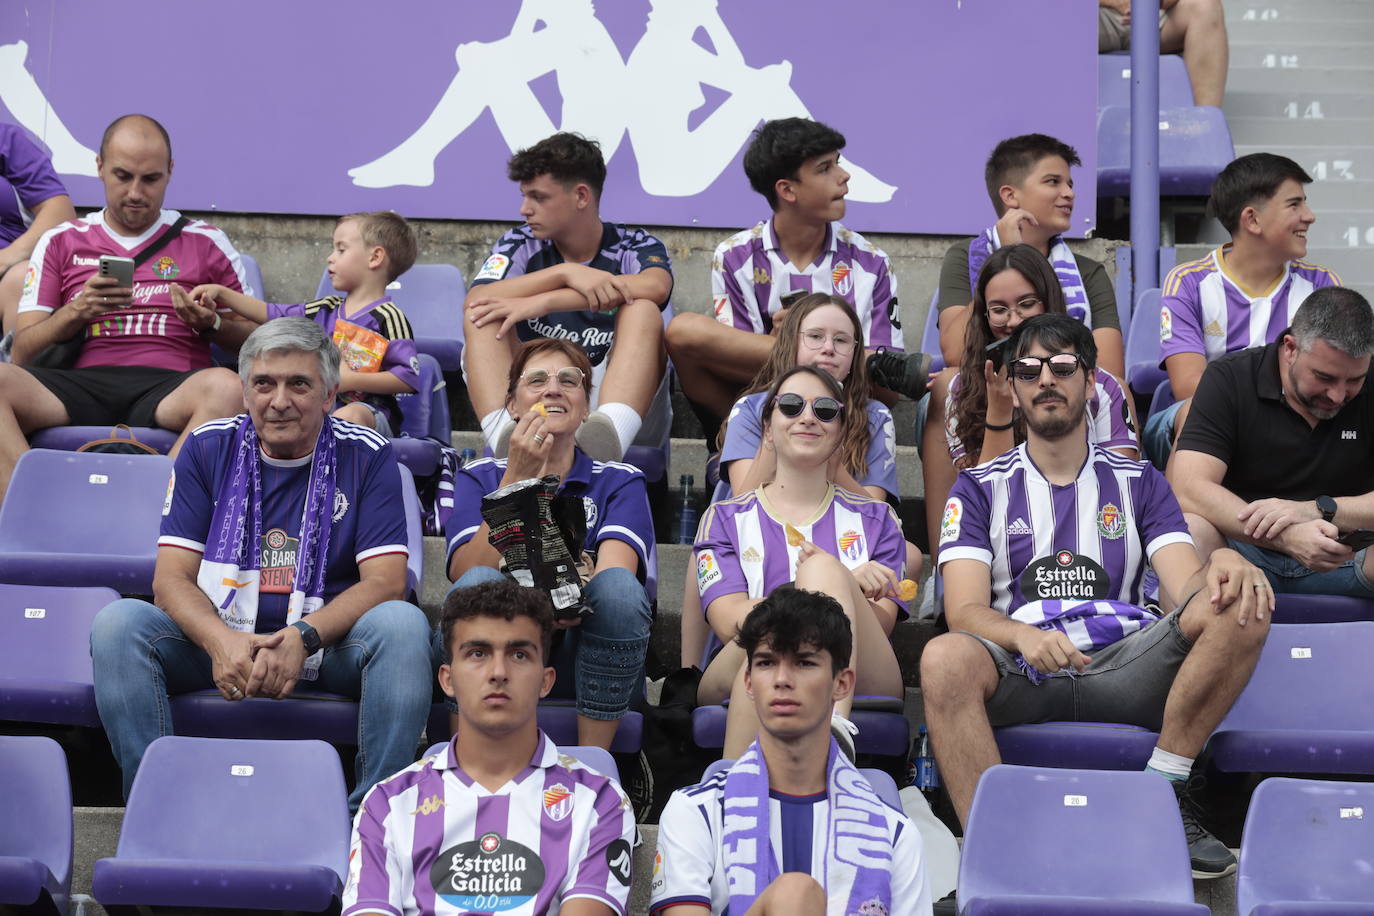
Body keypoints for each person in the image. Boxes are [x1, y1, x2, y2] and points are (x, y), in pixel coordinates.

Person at [921, 314, 1271, 886]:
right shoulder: (979, 487)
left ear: (1090, 381)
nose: (1045, 381)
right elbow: (963, 612)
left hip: (1128, 664)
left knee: (1240, 598)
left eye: (1062, 367)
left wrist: (1226, 563)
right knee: (942, 657)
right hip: (1022, 668)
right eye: (1028, 370)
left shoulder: (1140, 480)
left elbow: (1186, 590)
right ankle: (997, 853)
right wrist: (1024, 636)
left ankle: (1167, 787)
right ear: (1010, 385)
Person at [90, 318, 433, 811]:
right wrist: (221, 641)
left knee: (403, 626)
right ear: (245, 392)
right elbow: (170, 580)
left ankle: (373, 826)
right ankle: (155, 809)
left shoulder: (367, 453)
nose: (279, 400)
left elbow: (386, 582)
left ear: (329, 395)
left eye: (299, 384)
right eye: (264, 384)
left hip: (328, 644)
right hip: (219, 639)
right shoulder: (208, 446)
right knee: (117, 624)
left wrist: (303, 638)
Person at [344, 579, 636, 916]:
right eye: (478, 653)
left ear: (546, 681)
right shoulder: (387, 805)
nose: (498, 672)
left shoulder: (600, 803)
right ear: (447, 680)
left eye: (519, 654)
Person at [0, 114, 255, 497]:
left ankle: (156, 510)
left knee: (230, 389)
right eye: (123, 176)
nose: (136, 192)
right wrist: (76, 311)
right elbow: (21, 353)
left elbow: (258, 347)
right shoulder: (62, 240)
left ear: (170, 172)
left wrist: (211, 325)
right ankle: (34, 509)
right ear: (99, 167)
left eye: (150, 179)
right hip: (78, 383)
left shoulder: (206, 241)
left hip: (170, 383)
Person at [651, 588, 931, 916]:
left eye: (804, 662)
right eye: (767, 663)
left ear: (842, 684)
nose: (782, 679)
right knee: (794, 896)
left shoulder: (896, 834)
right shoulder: (695, 811)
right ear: (749, 682)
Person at [679, 292, 921, 667]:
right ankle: (689, 672)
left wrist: (830, 446)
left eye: (842, 340)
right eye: (815, 337)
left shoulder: (873, 417)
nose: (828, 349)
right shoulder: (755, 407)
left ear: (856, 353)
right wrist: (777, 426)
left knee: (908, 553)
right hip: (760, 533)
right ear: (791, 342)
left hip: (836, 528)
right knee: (708, 546)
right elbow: (747, 497)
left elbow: (875, 512)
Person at [445, 338, 654, 751]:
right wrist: (515, 481)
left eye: (569, 381)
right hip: (501, 639)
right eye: (536, 380)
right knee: (475, 586)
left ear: (585, 407)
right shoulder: (480, 476)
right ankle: (465, 759)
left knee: (616, 591)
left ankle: (595, 761)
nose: (553, 389)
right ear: (513, 406)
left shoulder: (619, 479)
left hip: (586, 641)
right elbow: (465, 573)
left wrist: (554, 594)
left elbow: (616, 579)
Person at [695, 365, 907, 759]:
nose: (808, 417)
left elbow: (879, 623)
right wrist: (831, 582)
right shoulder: (724, 518)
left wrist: (834, 580)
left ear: (842, 431)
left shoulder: (879, 520)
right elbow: (729, 624)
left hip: (858, 675)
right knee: (815, 581)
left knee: (824, 570)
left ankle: (834, 729)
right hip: (742, 659)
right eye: (791, 406)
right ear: (768, 429)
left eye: (826, 410)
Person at [665, 118, 912, 446]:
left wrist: (813, 342)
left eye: (837, 163)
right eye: (825, 168)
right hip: (763, 408)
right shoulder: (735, 256)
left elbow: (888, 388)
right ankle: (740, 448)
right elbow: (738, 372)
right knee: (683, 331)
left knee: (885, 366)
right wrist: (780, 341)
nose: (844, 176)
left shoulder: (871, 262)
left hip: (844, 415)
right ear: (787, 189)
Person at [463, 131, 672, 463]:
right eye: (524, 196)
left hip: (613, 394)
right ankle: (508, 434)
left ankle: (607, 439)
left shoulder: (634, 244)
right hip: (536, 394)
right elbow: (476, 299)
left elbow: (656, 287)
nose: (524, 209)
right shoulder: (520, 243)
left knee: (644, 309)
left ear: (581, 196)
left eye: (538, 197)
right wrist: (564, 274)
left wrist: (547, 301)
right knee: (481, 316)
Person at [922, 244, 1137, 559]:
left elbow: (1121, 499)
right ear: (983, 316)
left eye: (1026, 304)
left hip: (1088, 544)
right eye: (998, 309)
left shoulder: (1102, 388)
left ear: (1049, 302)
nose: (1013, 320)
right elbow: (979, 506)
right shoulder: (961, 391)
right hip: (997, 552)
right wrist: (1000, 410)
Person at [1172, 288, 1374, 600]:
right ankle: (1187, 647)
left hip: (1348, 556)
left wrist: (1319, 511)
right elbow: (1187, 487)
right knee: (1189, 529)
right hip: (1242, 554)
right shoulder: (1231, 377)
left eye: (1354, 381)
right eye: (1324, 377)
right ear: (1291, 348)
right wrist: (1285, 536)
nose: (1337, 395)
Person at [1144, 153, 1340, 469]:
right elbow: (1189, 384)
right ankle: (1188, 512)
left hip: (1293, 415)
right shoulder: (1188, 282)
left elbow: (1335, 379)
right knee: (1198, 408)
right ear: (1252, 220)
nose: (1310, 216)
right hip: (1209, 415)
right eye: (1295, 205)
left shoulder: (1322, 284)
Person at [188, 211, 421, 436]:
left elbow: (407, 378)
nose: (330, 257)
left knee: (350, 415)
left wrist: (350, 380)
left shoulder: (389, 318)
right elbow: (272, 313)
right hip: (319, 409)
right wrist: (223, 294)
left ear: (375, 257)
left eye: (341, 249)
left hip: (372, 413)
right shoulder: (324, 308)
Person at [934, 134, 1123, 380]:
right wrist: (1009, 256)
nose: (1069, 193)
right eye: (1053, 182)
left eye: (1070, 184)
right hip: (991, 390)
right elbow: (957, 353)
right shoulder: (965, 257)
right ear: (1010, 196)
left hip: (1065, 395)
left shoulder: (1087, 272)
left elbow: (1109, 373)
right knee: (947, 384)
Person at [0, 122, 77, 334]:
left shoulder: (5, 138)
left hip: (7, 274)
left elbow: (60, 213)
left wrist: (5, 258)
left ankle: (13, 366)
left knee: (23, 277)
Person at [1098, 0, 1228, 107]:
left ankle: (1203, 123)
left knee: (1206, 7)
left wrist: (1152, 4)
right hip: (1093, 14)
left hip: (1155, 14)